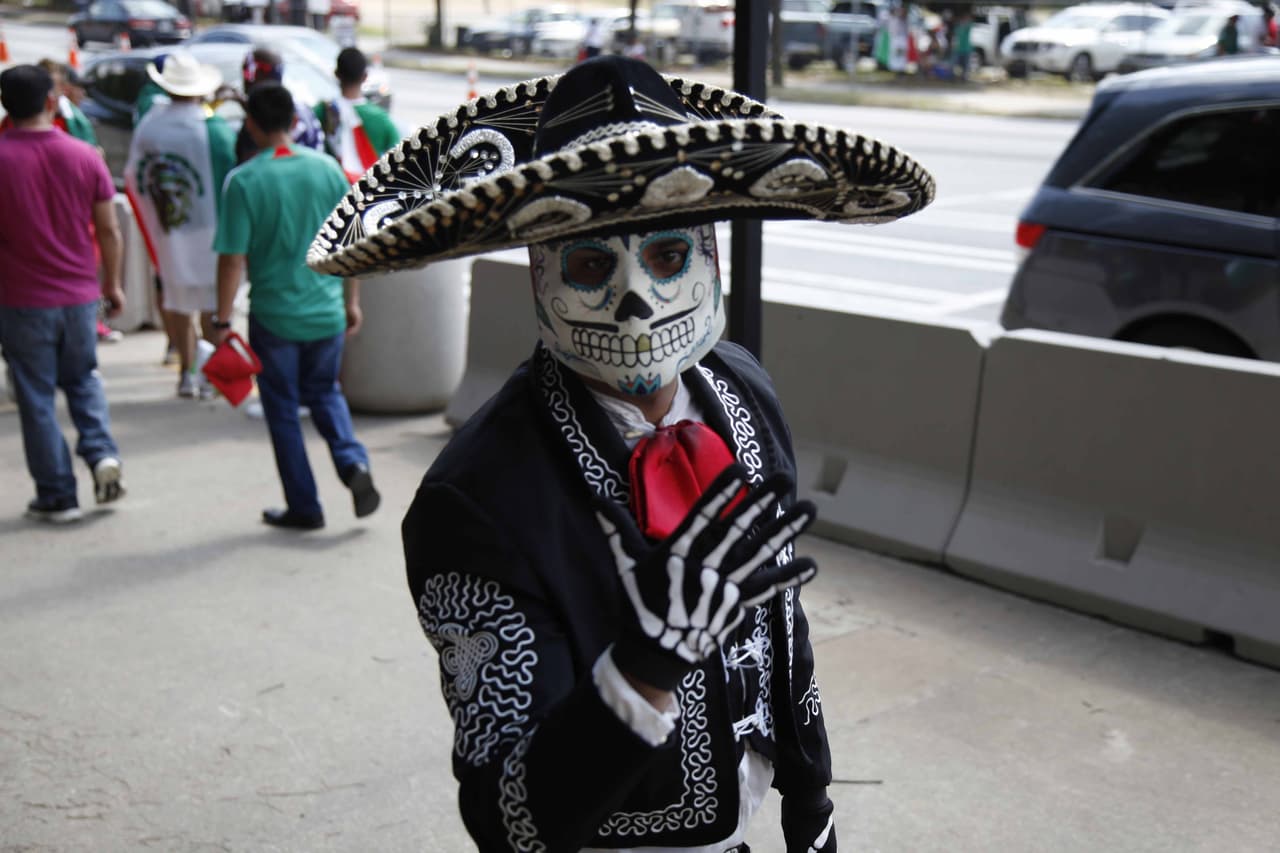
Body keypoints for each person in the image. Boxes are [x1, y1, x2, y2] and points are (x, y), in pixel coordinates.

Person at [306, 56, 934, 850]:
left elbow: (781, 620)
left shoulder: (740, 391)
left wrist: (812, 803)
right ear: (541, 271)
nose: (637, 300)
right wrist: (642, 669)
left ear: (710, 250)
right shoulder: (478, 500)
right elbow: (507, 821)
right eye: (593, 265)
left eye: (668, 257)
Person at [213, 82, 380, 530]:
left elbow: (232, 260)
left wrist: (222, 319)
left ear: (250, 124)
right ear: (293, 122)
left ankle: (305, 506)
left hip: (274, 319)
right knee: (326, 394)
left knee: (283, 411)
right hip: (325, 314)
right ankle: (352, 463)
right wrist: (352, 302)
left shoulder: (244, 180)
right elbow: (351, 246)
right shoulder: (328, 170)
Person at [0, 65, 128, 523]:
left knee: (36, 396)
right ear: (51, 102)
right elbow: (109, 229)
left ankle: (57, 494)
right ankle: (100, 454)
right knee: (83, 379)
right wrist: (111, 284)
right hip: (78, 295)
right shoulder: (83, 155)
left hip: (20, 299)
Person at [125, 50, 236, 399]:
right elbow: (232, 182)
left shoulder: (150, 125)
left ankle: (186, 373)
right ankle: (215, 374)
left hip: (170, 229)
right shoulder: (214, 130)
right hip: (211, 228)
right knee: (213, 304)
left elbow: (133, 174)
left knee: (177, 299)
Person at [316, 47, 398, 183]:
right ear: (365, 76)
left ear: (336, 74)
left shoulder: (321, 112)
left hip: (331, 189)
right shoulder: (381, 119)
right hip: (366, 194)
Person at [230, 48, 326, 164]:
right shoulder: (295, 106)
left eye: (246, 73)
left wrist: (251, 113)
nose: (244, 83)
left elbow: (251, 166)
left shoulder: (267, 116)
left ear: (259, 75)